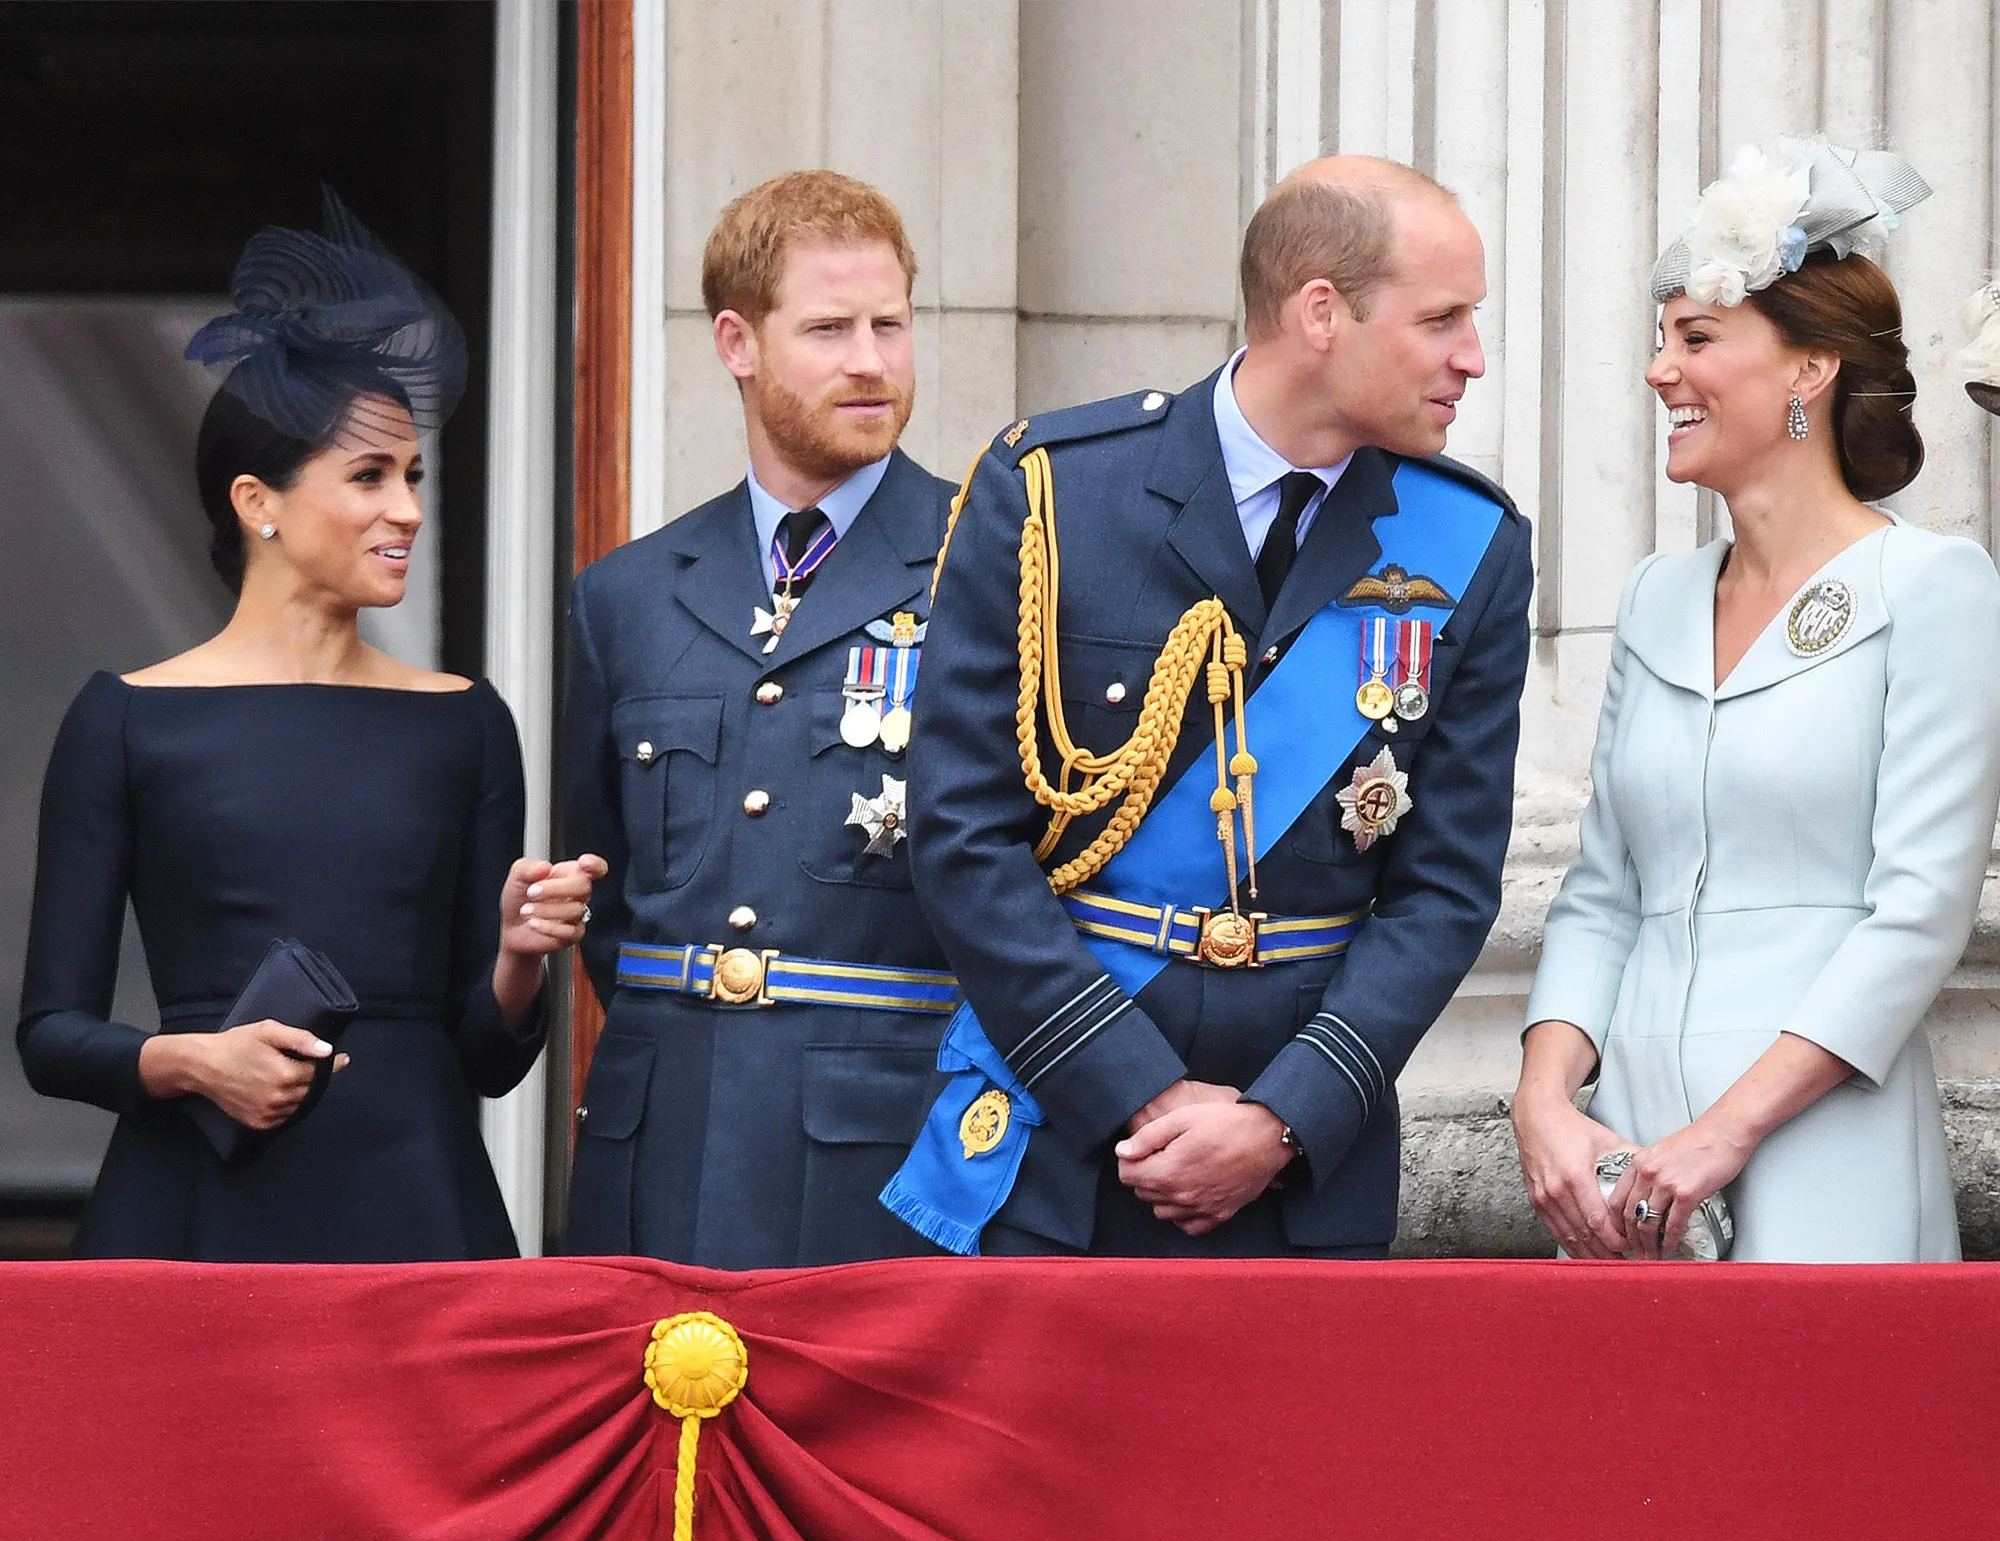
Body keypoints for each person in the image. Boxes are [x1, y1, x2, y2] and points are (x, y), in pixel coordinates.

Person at [887, 155, 1533, 1258]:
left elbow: (1445, 888)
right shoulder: (1053, 491)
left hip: (1302, 1173)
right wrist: (1133, 1091)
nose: (1471, 357)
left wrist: (1281, 1118)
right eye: (1442, 320)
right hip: (1066, 1139)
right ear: (1320, 311)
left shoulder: (1468, 542)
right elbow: (960, 833)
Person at [15, 195, 604, 1261]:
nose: (409, 511)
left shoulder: (465, 723)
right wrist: (195, 1062)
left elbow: (482, 1054)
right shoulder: (126, 718)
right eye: (370, 477)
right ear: (258, 503)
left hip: (414, 1212)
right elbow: (52, 1038)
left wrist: (520, 957)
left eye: (414, 477)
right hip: (192, 1213)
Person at [1514, 139, 2000, 1263]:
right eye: (1657, 343)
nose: (1657, 374)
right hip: (1625, 1163)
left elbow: (1917, 911)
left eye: (1693, 340)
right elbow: (1600, 893)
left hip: (1821, 1146)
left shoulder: (1929, 586)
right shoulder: (1652, 598)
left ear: (1805, 371)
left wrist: (1723, 1134)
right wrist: (1544, 1105)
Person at [564, 170, 957, 1268]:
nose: (871, 360)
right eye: (828, 329)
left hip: (887, 1149)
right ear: (737, 343)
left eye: (890, 323)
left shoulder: (996, 567)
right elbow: (608, 902)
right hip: (661, 1135)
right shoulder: (627, 596)